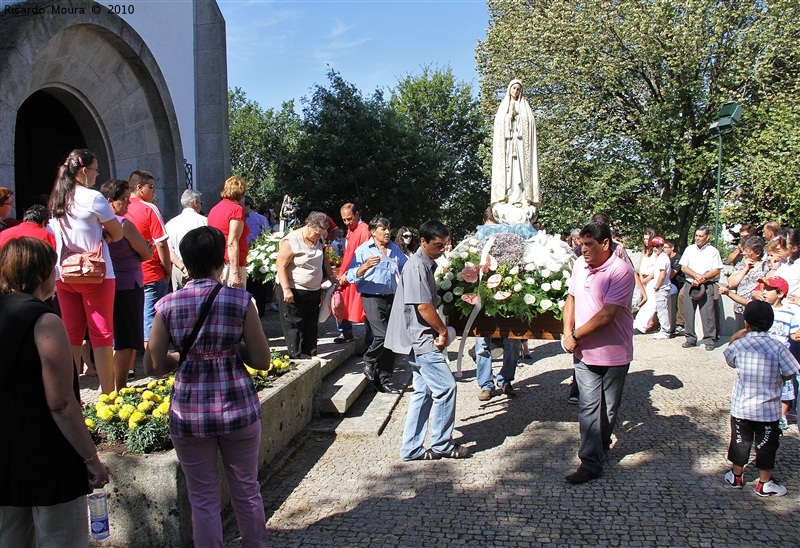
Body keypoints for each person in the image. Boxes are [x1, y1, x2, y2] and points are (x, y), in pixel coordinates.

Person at [144, 226, 269, 547]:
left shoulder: (167, 306)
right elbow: (261, 359)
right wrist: (228, 348)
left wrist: (183, 355)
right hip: (238, 408)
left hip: (189, 414)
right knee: (246, 489)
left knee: (202, 498)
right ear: (220, 261)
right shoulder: (241, 301)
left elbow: (153, 366)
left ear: (185, 261)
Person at [0, 237, 109, 546]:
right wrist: (91, 458)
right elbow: (61, 402)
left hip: (6, 457)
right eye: (53, 267)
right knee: (61, 538)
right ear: (39, 275)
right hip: (48, 457)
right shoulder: (44, 320)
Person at [386, 220, 469, 461]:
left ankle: (411, 449)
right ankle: (442, 444)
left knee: (423, 391)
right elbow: (423, 306)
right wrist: (443, 331)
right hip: (420, 340)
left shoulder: (424, 264)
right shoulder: (417, 266)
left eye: (445, 244)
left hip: (418, 338)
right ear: (423, 242)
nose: (443, 249)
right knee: (446, 388)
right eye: (438, 245)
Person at [562, 221, 635, 484]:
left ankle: (601, 446)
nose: (583, 250)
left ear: (605, 244)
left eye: (589, 244)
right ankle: (591, 462)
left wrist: (575, 335)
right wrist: (566, 331)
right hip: (584, 354)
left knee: (609, 410)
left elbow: (607, 315)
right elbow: (570, 298)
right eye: (581, 244)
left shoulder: (621, 271)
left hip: (614, 353)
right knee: (588, 407)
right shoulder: (580, 265)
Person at [49, 149, 123, 393]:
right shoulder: (93, 198)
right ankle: (108, 393)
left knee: (71, 332)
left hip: (65, 273)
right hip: (95, 274)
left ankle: (70, 390)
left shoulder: (59, 196)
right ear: (84, 171)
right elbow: (118, 232)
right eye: (95, 169)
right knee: (102, 333)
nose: (97, 174)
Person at [722, 300, 799, 497]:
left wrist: (740, 333)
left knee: (739, 441)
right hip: (768, 409)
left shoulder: (740, 344)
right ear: (771, 323)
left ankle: (736, 476)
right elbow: (792, 370)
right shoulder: (778, 346)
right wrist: (781, 379)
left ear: (746, 322)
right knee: (766, 445)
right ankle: (764, 482)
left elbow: (729, 358)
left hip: (742, 407)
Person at [100, 179, 153, 390]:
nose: (128, 204)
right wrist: (142, 252)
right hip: (128, 285)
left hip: (106, 285)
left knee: (109, 339)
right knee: (126, 340)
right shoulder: (123, 224)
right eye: (124, 200)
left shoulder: (98, 224)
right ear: (111, 201)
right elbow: (146, 252)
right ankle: (118, 388)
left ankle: (106, 384)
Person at [347, 216, 408, 393]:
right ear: (373, 232)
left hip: (392, 297)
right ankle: (369, 358)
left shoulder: (394, 249)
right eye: (384, 229)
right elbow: (351, 275)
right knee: (381, 335)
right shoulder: (363, 250)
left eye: (389, 229)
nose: (388, 232)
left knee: (392, 341)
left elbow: (405, 267)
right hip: (371, 297)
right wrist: (365, 267)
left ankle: (383, 381)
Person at [275, 212, 337, 359]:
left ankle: (310, 355)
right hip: (293, 289)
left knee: (311, 325)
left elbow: (325, 259)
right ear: (308, 225)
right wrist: (286, 289)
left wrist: (333, 278)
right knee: (295, 325)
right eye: (317, 233)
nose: (318, 237)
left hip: (313, 290)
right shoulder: (292, 240)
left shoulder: (320, 240)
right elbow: (280, 265)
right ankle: (295, 357)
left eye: (321, 234)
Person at [126, 170, 170, 349]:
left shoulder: (120, 208)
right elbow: (161, 243)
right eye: (151, 187)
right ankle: (153, 362)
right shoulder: (149, 208)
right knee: (151, 319)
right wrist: (167, 268)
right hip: (151, 272)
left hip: (126, 273)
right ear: (139, 187)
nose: (154, 191)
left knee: (131, 317)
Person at [490, 79, 540, 224]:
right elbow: (499, 124)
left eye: (518, 89)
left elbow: (529, 124)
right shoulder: (503, 107)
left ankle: (522, 197)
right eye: (514, 89)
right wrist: (509, 118)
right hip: (507, 147)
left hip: (520, 146)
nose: (516, 91)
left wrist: (518, 118)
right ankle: (508, 197)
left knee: (520, 174)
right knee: (508, 174)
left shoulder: (525, 108)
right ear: (509, 90)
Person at [680, 226, 722, 351]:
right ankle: (690, 338)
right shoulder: (689, 249)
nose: (698, 238)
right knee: (688, 312)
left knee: (708, 313)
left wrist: (702, 278)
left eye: (701, 236)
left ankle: (709, 339)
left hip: (706, 284)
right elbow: (684, 267)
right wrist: (695, 276)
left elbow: (716, 270)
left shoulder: (713, 251)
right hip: (690, 283)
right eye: (696, 236)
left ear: (707, 237)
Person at [336, 203, 371, 343]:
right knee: (341, 301)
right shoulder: (351, 230)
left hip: (357, 273)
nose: (347, 222)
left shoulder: (364, 230)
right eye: (344, 220)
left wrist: (352, 273)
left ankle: (370, 342)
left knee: (365, 309)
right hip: (347, 271)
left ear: (357, 214)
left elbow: (364, 256)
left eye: (349, 218)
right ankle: (345, 332)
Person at [208, 176, 249, 289]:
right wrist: (235, 273)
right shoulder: (236, 209)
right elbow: (232, 241)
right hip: (230, 264)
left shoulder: (214, 209)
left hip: (217, 263)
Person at [719, 235, 767, 332]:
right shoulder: (741, 265)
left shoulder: (765, 267)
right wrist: (745, 269)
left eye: (748, 251)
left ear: (757, 253)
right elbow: (732, 283)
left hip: (756, 309)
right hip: (740, 307)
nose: (744, 254)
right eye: (744, 250)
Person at [165, 189, 207, 290]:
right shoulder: (203, 221)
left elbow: (168, 250)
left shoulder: (170, 223)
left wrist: (183, 268)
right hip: (198, 267)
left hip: (178, 267)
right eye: (201, 203)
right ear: (195, 202)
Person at [633, 229, 657, 333]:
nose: (645, 241)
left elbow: (656, 268)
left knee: (650, 303)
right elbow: (641, 266)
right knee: (641, 300)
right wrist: (641, 278)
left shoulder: (656, 252)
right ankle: (638, 323)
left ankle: (641, 326)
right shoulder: (644, 252)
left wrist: (647, 278)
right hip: (643, 279)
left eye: (647, 239)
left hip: (652, 279)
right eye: (644, 239)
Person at [649, 236, 673, 339]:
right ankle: (664, 329)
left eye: (657, 246)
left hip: (662, 288)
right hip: (662, 287)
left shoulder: (663, 258)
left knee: (662, 309)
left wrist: (657, 286)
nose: (655, 248)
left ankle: (665, 331)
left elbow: (662, 274)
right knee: (660, 309)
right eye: (653, 246)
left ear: (662, 246)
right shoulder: (661, 257)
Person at [663, 240, 685, 334]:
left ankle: (679, 324)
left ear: (672, 248)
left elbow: (671, 275)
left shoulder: (678, 259)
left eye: (665, 248)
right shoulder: (664, 258)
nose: (663, 250)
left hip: (677, 284)